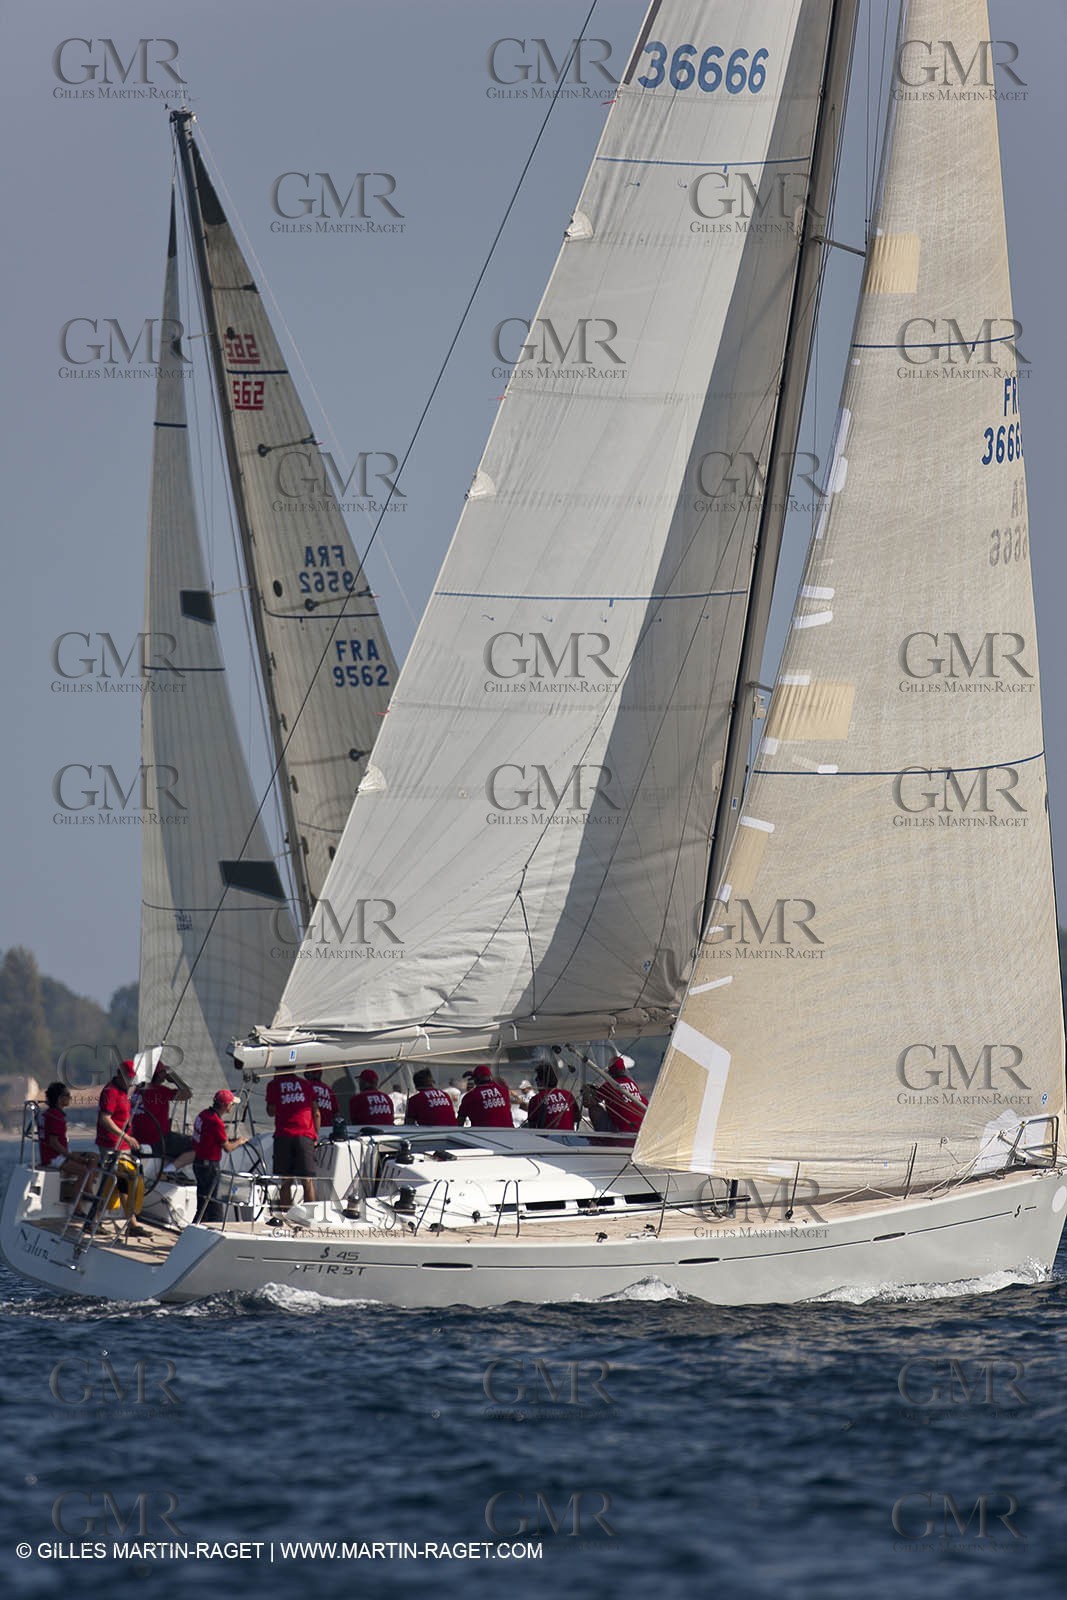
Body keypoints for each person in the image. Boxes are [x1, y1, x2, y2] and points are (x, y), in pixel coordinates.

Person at [94, 1060, 149, 1235]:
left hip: (122, 1145)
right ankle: (95, 1219)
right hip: (112, 1144)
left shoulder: (124, 1091)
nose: (130, 1081)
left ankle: (131, 1223)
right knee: (112, 1182)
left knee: (122, 1182)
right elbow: (105, 1118)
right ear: (119, 1074)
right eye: (128, 1078)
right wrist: (125, 1136)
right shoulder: (111, 1092)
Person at [38, 1083, 98, 1216]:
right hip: (53, 1157)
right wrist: (72, 1157)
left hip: (59, 1154)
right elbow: (54, 1143)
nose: (70, 1098)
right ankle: (77, 1207)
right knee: (83, 1171)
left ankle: (87, 1190)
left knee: (93, 1157)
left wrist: (71, 1156)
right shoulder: (54, 1116)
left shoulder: (51, 1114)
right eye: (67, 1095)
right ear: (59, 1099)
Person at [192, 1089, 249, 1223]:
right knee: (214, 1205)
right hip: (209, 1166)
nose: (232, 1106)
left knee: (202, 1204)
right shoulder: (216, 1122)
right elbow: (228, 1148)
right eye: (231, 1104)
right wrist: (239, 1141)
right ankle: (214, 1231)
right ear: (225, 1106)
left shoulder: (203, 1114)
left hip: (198, 1163)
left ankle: (196, 1229)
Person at [266, 1068, 319, 1209]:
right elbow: (317, 1112)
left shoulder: (273, 1085)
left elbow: (271, 1111)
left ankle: (285, 1216)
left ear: (278, 1069)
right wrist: (315, 1136)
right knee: (307, 1181)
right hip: (305, 1136)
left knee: (286, 1182)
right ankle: (310, 1216)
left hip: (284, 1136)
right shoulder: (306, 1084)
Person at [130, 1059, 195, 1173]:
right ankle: (170, 1169)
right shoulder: (161, 1091)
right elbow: (187, 1094)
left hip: (137, 1139)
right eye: (162, 1073)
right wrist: (174, 1077)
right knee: (198, 1145)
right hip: (159, 1140)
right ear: (158, 1075)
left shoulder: (136, 1091)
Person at [588, 1055, 648, 1134]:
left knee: (593, 1107)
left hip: (621, 1130)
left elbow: (594, 1099)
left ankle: (603, 1138)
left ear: (610, 1072)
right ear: (623, 1069)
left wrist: (588, 1090)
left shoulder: (609, 1085)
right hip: (639, 1130)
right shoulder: (632, 1084)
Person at [525, 1064, 580, 1131]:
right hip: (569, 1138)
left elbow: (532, 1127)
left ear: (541, 1081)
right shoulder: (568, 1095)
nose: (536, 1081)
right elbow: (577, 1118)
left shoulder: (535, 1099)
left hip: (547, 1139)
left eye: (537, 1079)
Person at [458, 1065, 513, 1129]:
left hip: (483, 1135)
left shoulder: (470, 1096)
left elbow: (460, 1121)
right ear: (490, 1077)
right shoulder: (503, 1090)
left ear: (476, 1079)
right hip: (509, 1132)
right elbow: (499, 1080)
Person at [303, 1065, 338, 1131]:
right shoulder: (328, 1089)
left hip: (310, 1129)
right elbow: (336, 1113)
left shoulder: (305, 1087)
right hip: (328, 1128)